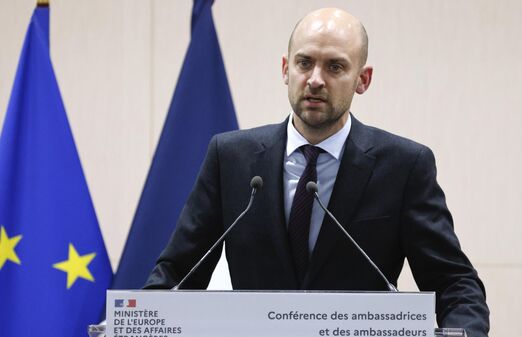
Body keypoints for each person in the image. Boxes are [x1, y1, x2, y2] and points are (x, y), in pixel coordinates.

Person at [145, 7, 490, 337]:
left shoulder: (403, 166)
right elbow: (178, 273)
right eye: (304, 63)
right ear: (285, 69)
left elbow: (454, 283)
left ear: (362, 79)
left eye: (335, 67)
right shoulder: (231, 158)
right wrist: (138, 324)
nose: (315, 80)